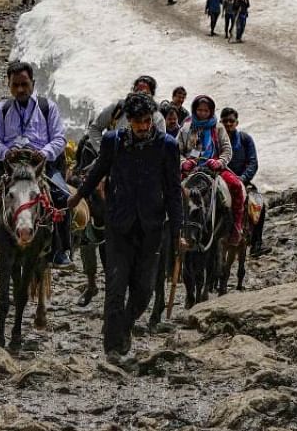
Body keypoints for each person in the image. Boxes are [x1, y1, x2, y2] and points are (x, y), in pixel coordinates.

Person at [65, 92, 184, 360]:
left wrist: (178, 231)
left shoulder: (167, 146)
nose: (143, 127)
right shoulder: (113, 142)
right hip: (119, 224)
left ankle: (125, 326)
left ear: (153, 119)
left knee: (145, 290)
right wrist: (79, 196)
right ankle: (112, 348)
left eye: (146, 121)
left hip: (152, 226)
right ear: (128, 121)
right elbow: (98, 171)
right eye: (137, 122)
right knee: (116, 287)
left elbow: (174, 190)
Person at [0, 61, 73, 269]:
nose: (20, 89)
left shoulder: (47, 107)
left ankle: (60, 250)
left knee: (63, 196)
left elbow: (59, 139)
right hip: (8, 164)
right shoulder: (2, 109)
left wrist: (43, 153)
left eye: (24, 84)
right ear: (9, 85)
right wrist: (6, 152)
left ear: (33, 83)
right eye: (15, 85)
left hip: (40, 163)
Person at [176, 95, 248, 245]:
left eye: (206, 110)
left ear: (211, 111)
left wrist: (219, 162)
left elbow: (227, 150)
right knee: (170, 188)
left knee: (235, 186)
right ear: (194, 109)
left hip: (214, 169)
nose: (202, 113)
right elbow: (177, 150)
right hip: (191, 169)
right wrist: (183, 162)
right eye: (199, 110)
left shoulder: (218, 127)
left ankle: (236, 227)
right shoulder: (186, 127)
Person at [220, 107, 266, 256]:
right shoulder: (216, 139)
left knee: (260, 204)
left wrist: (243, 178)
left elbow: (253, 163)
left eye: (231, 121)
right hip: (220, 179)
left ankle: (256, 244)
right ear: (220, 122)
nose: (228, 124)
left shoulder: (245, 139)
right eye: (225, 121)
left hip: (242, 180)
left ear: (237, 122)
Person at [87, 75, 166, 149]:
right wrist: (103, 150)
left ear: (152, 96)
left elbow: (161, 144)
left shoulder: (158, 118)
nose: (139, 95)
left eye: (145, 93)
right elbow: (95, 128)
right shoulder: (118, 108)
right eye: (137, 91)